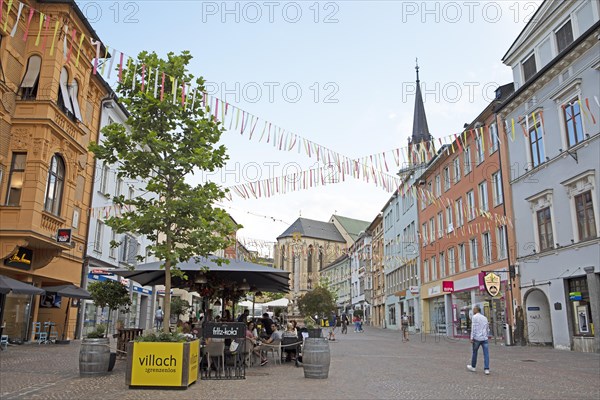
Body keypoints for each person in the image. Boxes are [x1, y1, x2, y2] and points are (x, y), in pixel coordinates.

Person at [467, 305, 490, 375]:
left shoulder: (474, 317)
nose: (473, 311)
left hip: (477, 338)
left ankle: (473, 367)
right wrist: (487, 335)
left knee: (475, 352)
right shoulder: (485, 318)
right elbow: (487, 328)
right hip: (484, 337)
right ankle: (487, 369)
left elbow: (473, 328)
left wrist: (471, 337)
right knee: (486, 354)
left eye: (474, 309)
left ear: (477, 310)